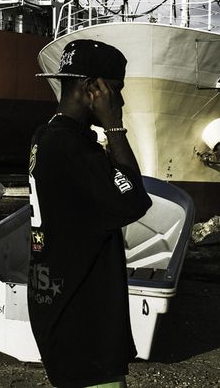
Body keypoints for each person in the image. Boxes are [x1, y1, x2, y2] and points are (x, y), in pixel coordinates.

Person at [28, 39, 152, 387]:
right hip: (82, 320)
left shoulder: (46, 135)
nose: (121, 100)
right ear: (92, 88)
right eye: (116, 89)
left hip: (58, 305)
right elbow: (135, 200)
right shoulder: (72, 147)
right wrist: (114, 127)